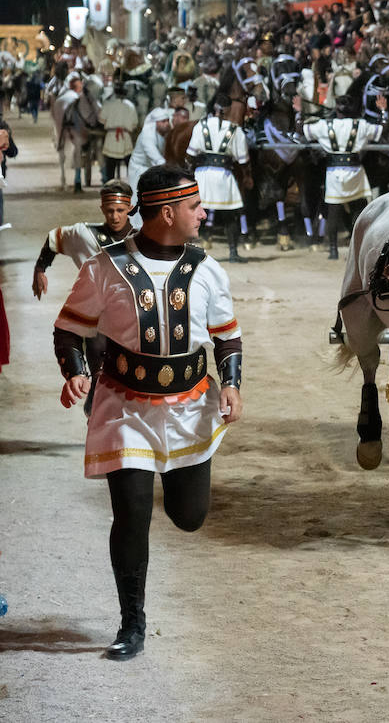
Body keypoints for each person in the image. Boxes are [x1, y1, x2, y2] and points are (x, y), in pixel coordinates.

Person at [51, 164, 244, 660]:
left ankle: (185, 481)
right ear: (167, 212)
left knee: (189, 517)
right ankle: (131, 624)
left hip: (190, 408)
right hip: (124, 407)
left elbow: (227, 336)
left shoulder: (207, 268)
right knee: (132, 513)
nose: (204, 213)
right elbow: (69, 329)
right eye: (195, 207)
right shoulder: (106, 266)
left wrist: (233, 385)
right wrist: (75, 372)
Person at [302, 96, 385, 259]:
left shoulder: (325, 125)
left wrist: (299, 114)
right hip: (355, 171)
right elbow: (383, 130)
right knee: (359, 210)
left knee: (334, 211)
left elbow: (302, 131)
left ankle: (333, 250)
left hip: (334, 173)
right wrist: (383, 111)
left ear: (336, 109)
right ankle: (359, 249)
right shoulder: (360, 125)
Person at [184, 94, 250, 262]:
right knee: (230, 215)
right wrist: (247, 176)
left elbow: (191, 154)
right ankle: (233, 253)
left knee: (198, 214)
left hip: (203, 175)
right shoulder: (236, 130)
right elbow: (243, 160)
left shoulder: (201, 126)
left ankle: (192, 255)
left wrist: (188, 172)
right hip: (224, 176)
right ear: (228, 109)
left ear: (214, 108)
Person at [100, 84, 139, 181]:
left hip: (111, 138)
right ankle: (132, 185)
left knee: (110, 166)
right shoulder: (131, 106)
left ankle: (110, 186)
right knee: (129, 164)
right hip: (125, 138)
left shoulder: (107, 104)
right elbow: (134, 124)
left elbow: (101, 120)